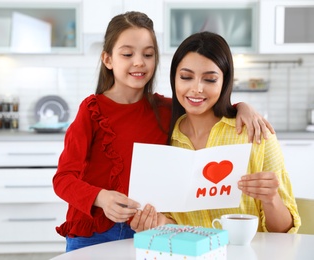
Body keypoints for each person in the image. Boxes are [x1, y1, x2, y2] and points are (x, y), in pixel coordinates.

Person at [53, 12, 274, 252]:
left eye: (148, 54)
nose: (139, 62)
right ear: (107, 59)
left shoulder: (168, 110)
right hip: (91, 232)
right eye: (127, 54)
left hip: (146, 229)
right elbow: (63, 179)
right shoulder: (92, 110)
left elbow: (207, 105)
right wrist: (101, 198)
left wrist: (243, 107)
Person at [130, 31, 301, 234]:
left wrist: (271, 199)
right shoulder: (165, 140)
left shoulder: (256, 135)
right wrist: (157, 223)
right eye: (186, 77)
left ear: (224, 82)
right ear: (174, 78)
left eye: (210, 80)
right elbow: (176, 225)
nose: (196, 89)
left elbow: (285, 232)